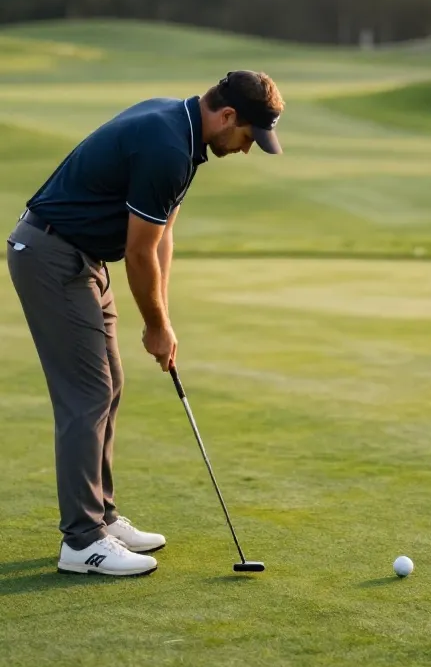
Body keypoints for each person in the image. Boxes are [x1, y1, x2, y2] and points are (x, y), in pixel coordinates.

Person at [6, 71, 284, 577]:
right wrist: (154, 326)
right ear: (226, 118)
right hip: (51, 254)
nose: (246, 150)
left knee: (109, 386)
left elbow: (160, 238)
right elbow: (137, 252)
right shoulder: (167, 146)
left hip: (82, 259)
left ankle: (102, 519)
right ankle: (83, 541)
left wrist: (165, 319)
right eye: (248, 137)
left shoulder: (182, 131)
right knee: (86, 394)